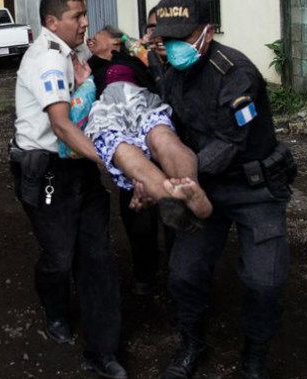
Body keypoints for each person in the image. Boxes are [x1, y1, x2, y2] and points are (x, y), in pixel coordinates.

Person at [152, 0, 296, 379]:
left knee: (263, 282)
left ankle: (254, 358)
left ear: (207, 33)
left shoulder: (237, 73)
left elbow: (230, 142)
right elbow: (165, 126)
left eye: (183, 37)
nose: (173, 47)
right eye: (167, 40)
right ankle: (192, 343)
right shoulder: (172, 73)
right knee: (182, 273)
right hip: (203, 189)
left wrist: (182, 181)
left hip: (254, 190)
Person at [9, 0, 127, 379]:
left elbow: (78, 111)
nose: (85, 23)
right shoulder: (47, 59)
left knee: (95, 257)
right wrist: (110, 160)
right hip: (45, 170)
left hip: (76, 165)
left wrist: (88, 84)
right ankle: (55, 310)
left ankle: (102, 350)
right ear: (52, 22)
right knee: (59, 257)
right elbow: (60, 123)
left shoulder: (69, 55)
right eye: (77, 16)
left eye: (84, 14)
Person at [81, 28, 212, 230]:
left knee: (163, 137)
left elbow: (157, 73)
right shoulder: (88, 66)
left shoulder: (134, 57)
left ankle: (189, 189)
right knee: (121, 148)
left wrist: (145, 48)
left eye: (97, 35)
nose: (91, 39)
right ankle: (177, 200)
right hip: (108, 108)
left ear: (115, 41)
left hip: (140, 100)